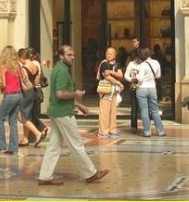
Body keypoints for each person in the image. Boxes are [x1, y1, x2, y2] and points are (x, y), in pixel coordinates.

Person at [38, 45, 108, 186]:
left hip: (56, 112)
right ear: (61, 56)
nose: (73, 57)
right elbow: (60, 94)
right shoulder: (62, 71)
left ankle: (44, 176)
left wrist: (79, 105)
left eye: (73, 54)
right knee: (76, 144)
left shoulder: (58, 69)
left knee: (54, 146)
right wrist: (76, 94)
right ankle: (91, 174)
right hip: (63, 113)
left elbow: (61, 94)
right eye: (69, 55)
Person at [0, 46, 23, 154]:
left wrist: (0, 88)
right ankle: (14, 147)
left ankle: (1, 145)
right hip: (19, 94)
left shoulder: (3, 67)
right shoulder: (17, 66)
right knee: (13, 121)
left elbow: (4, 84)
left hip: (9, 95)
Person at [130, 47, 165, 137]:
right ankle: (160, 130)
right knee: (155, 110)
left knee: (144, 110)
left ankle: (147, 131)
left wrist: (136, 76)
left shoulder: (142, 65)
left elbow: (140, 79)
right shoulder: (156, 62)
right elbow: (158, 75)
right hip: (152, 88)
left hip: (142, 88)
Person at [18, 48, 44, 147]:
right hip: (32, 92)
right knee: (27, 115)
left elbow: (23, 83)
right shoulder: (35, 66)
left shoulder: (24, 68)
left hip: (25, 93)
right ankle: (25, 138)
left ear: (22, 58)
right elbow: (36, 82)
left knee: (21, 116)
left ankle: (37, 133)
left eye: (20, 58)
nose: (20, 61)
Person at [97, 47, 124, 138]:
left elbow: (120, 74)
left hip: (114, 90)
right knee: (104, 112)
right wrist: (118, 83)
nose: (109, 55)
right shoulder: (104, 64)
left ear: (115, 55)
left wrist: (111, 72)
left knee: (113, 112)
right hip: (106, 90)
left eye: (111, 54)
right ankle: (103, 131)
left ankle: (112, 130)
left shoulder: (117, 64)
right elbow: (107, 77)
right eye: (107, 53)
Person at [27, 47, 49, 142]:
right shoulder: (36, 63)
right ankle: (34, 134)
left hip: (35, 90)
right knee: (31, 113)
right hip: (36, 90)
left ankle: (41, 128)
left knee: (30, 114)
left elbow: (35, 80)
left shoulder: (34, 63)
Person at [124, 51, 143, 133]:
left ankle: (146, 125)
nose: (139, 59)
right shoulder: (131, 64)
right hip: (134, 87)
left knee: (144, 108)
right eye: (137, 57)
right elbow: (126, 75)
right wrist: (131, 79)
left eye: (140, 58)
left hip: (143, 87)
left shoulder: (145, 64)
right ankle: (134, 126)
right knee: (134, 108)